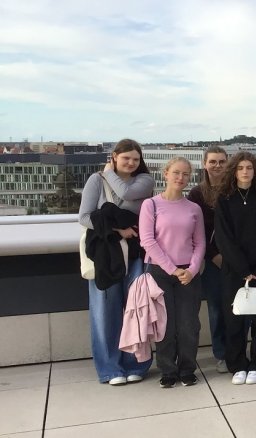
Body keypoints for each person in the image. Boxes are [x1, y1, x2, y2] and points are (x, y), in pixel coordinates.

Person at [79, 138, 155, 385]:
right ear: (114, 156)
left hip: (135, 252)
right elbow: (85, 217)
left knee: (136, 307)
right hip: (105, 251)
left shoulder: (144, 180)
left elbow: (126, 192)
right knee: (105, 310)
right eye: (126, 158)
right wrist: (116, 230)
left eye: (135, 158)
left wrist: (109, 172)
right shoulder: (95, 181)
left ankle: (137, 364)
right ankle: (110, 368)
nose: (131, 163)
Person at [138, 157, 205, 388]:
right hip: (160, 272)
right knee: (164, 325)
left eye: (186, 174)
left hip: (188, 273)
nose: (181, 178)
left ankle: (187, 369)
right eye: (176, 173)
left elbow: (200, 243)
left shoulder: (194, 208)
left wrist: (192, 269)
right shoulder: (151, 205)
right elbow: (147, 241)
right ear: (165, 174)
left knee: (188, 324)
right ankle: (167, 369)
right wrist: (172, 269)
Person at [214, 152, 256, 385]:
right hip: (233, 270)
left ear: (255, 171)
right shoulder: (224, 198)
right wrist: (242, 270)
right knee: (235, 320)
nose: (245, 172)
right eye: (240, 168)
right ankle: (238, 364)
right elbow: (223, 238)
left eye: (249, 167)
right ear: (234, 171)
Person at [187, 146, 230, 373]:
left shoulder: (235, 190)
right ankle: (221, 353)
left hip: (236, 259)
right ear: (205, 164)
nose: (217, 166)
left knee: (239, 307)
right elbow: (198, 230)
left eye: (222, 161)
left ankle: (238, 349)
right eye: (213, 162)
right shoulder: (196, 194)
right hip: (212, 261)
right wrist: (214, 255)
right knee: (216, 308)